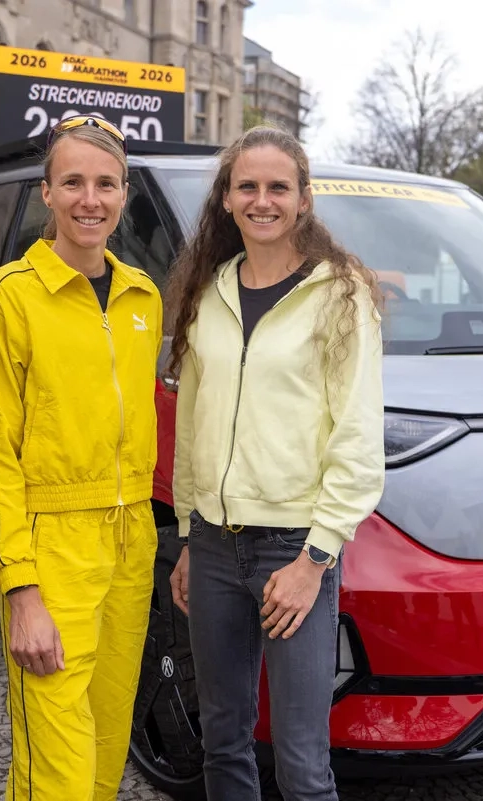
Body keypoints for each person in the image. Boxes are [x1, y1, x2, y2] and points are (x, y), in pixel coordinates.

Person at [164, 125, 386, 801]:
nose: (263, 200)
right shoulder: (210, 290)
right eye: (248, 186)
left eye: (278, 187)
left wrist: (314, 560)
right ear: (227, 198)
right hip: (210, 543)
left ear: (304, 199)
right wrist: (186, 535)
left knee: (301, 759)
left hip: (294, 549)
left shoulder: (341, 295)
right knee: (223, 738)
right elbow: (193, 423)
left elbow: (356, 437)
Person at [0, 115, 163, 801]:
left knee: (106, 751)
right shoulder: (11, 296)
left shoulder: (144, 295)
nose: (91, 198)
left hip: (130, 542)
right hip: (52, 552)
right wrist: (19, 588)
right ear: (47, 192)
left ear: (124, 193)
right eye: (73, 181)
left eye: (106, 183)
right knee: (56, 771)